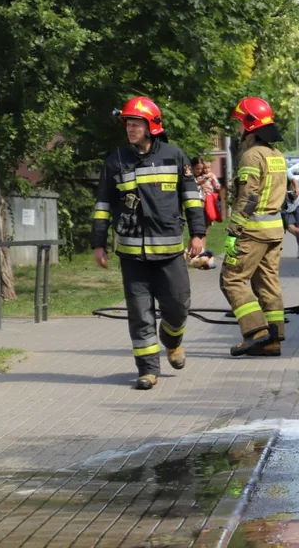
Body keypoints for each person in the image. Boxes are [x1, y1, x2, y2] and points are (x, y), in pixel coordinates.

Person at [92, 96, 206, 390]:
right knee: (139, 314)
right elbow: (103, 204)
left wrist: (197, 233)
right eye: (128, 124)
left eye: (136, 124)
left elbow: (192, 198)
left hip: (169, 253)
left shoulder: (174, 156)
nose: (131, 129)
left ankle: (172, 341)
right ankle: (147, 369)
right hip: (132, 255)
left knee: (178, 307)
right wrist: (99, 243)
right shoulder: (116, 160)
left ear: (151, 126)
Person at [220, 97, 289, 358]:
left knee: (232, 278)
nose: (237, 129)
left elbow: (248, 197)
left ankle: (256, 332)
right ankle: (273, 340)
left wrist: (233, 231)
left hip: (253, 230)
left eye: (239, 123)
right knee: (267, 283)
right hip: (274, 230)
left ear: (250, 125)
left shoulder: (251, 155)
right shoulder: (276, 155)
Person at [191, 157, 222, 229]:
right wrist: (200, 184)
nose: (200, 170)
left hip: (206, 200)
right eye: (197, 168)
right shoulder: (192, 177)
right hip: (197, 203)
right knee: (198, 228)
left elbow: (216, 184)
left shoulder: (208, 176)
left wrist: (215, 187)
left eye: (201, 168)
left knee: (206, 225)